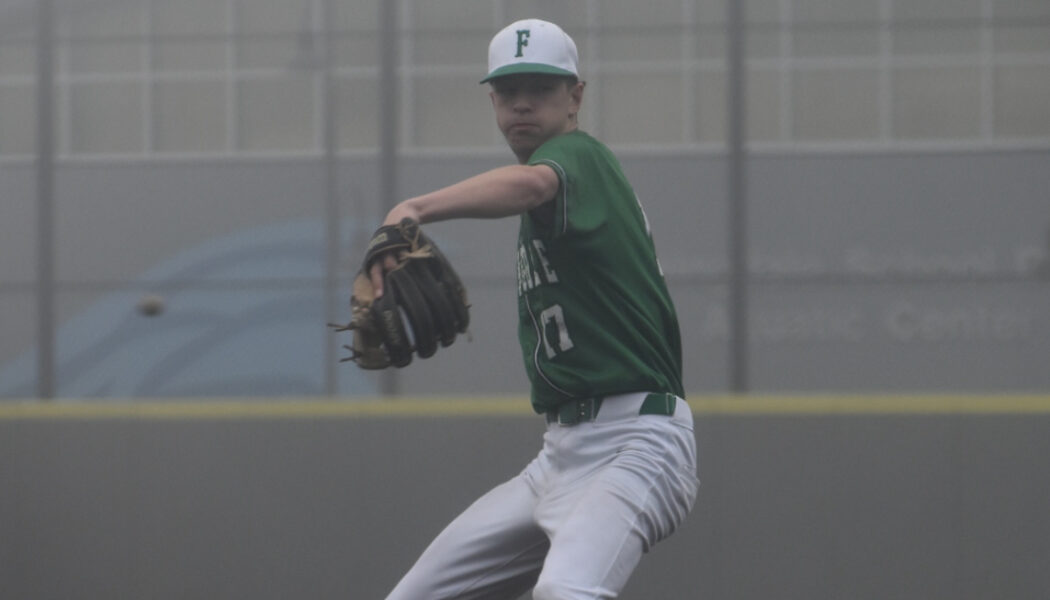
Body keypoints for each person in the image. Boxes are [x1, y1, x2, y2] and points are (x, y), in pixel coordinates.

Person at [374, 18, 699, 600]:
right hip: (559, 456)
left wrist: (413, 208)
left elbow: (531, 186)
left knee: (566, 592)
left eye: (542, 89)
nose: (523, 104)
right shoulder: (554, 190)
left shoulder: (579, 158)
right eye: (508, 91)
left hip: (638, 441)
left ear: (575, 96)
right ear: (493, 99)